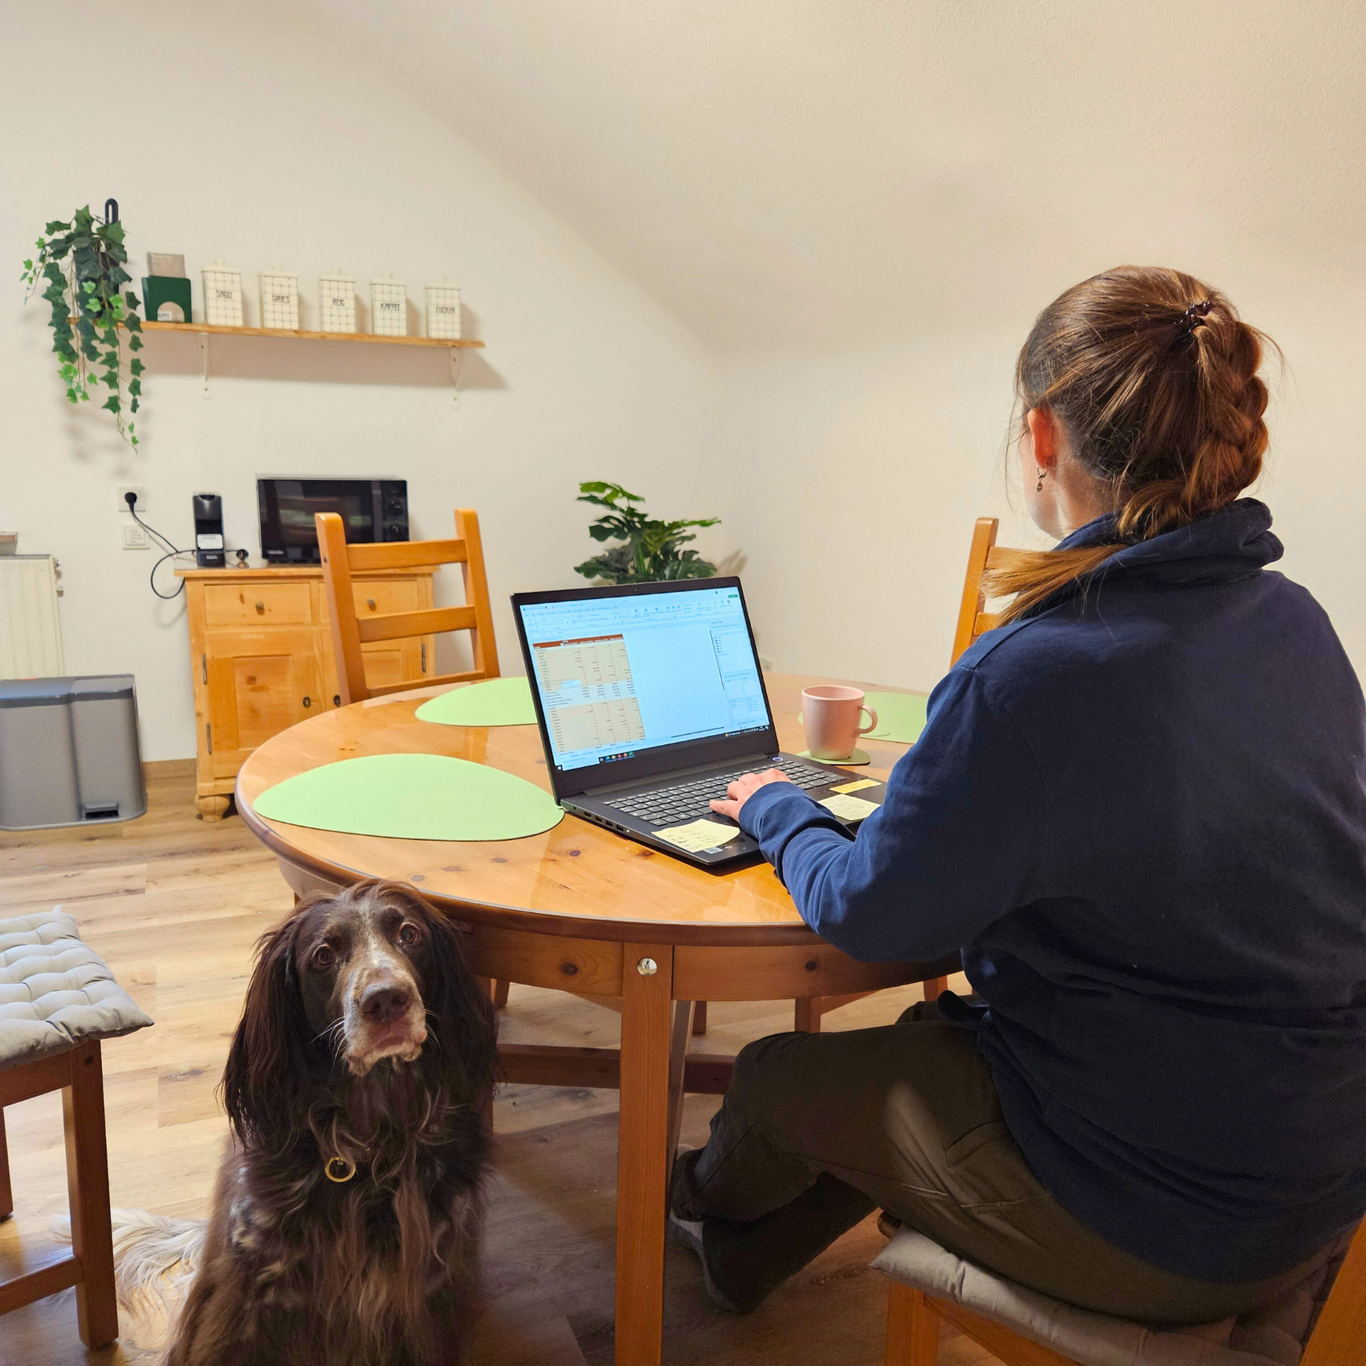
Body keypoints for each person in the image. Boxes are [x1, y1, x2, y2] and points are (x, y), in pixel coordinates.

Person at [669, 265, 1366, 1322]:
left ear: (1042, 436)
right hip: (1314, 1177)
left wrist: (775, 805)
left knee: (774, 1078)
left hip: (1163, 1222)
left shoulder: (1036, 670)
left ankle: (691, 1215)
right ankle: (742, 1256)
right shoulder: (1293, 621)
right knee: (925, 1054)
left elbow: (865, 910)